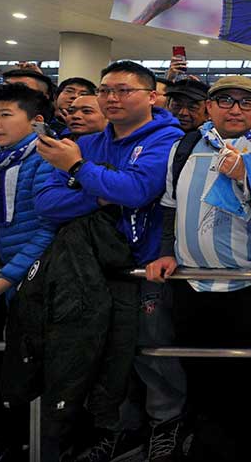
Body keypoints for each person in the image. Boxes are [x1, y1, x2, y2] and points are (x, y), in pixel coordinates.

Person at [35, 61, 186, 461]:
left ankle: (166, 424)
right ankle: (121, 428)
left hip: (149, 265)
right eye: (105, 90)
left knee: (152, 351)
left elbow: (138, 190)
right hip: (96, 269)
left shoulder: (168, 141)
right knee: (107, 351)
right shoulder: (87, 143)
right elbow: (47, 203)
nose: (111, 98)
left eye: (124, 90)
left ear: (152, 96)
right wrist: (100, 192)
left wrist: (79, 171)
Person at [145, 76, 251, 460]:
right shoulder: (182, 149)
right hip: (191, 286)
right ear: (209, 108)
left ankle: (248, 447)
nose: (235, 109)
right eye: (226, 101)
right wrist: (167, 252)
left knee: (249, 380)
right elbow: (169, 207)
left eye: (246, 103)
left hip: (248, 288)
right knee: (198, 375)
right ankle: (203, 444)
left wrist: (250, 175)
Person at [0, 84, 57, 460]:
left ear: (36, 121)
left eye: (6, 115)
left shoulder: (47, 158)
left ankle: (21, 444)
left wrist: (3, 281)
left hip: (23, 282)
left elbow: (49, 230)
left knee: (26, 370)